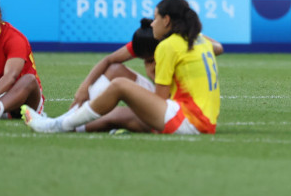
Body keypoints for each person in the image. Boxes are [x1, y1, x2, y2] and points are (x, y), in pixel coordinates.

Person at [23, 0, 219, 136]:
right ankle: (62, 123)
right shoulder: (199, 40)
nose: (152, 24)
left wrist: (135, 96)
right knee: (117, 114)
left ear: (167, 20)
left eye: (156, 18)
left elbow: (160, 100)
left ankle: (57, 125)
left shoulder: (168, 46)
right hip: (204, 123)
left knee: (120, 85)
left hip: (188, 120)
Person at [65, 22, 224, 133]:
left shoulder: (177, 45)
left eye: (148, 59)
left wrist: (195, 39)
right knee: (115, 69)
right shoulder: (147, 41)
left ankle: (72, 124)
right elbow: (109, 60)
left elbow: (218, 48)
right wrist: (85, 87)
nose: (154, 22)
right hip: (160, 96)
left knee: (118, 115)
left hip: (174, 106)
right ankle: (74, 114)